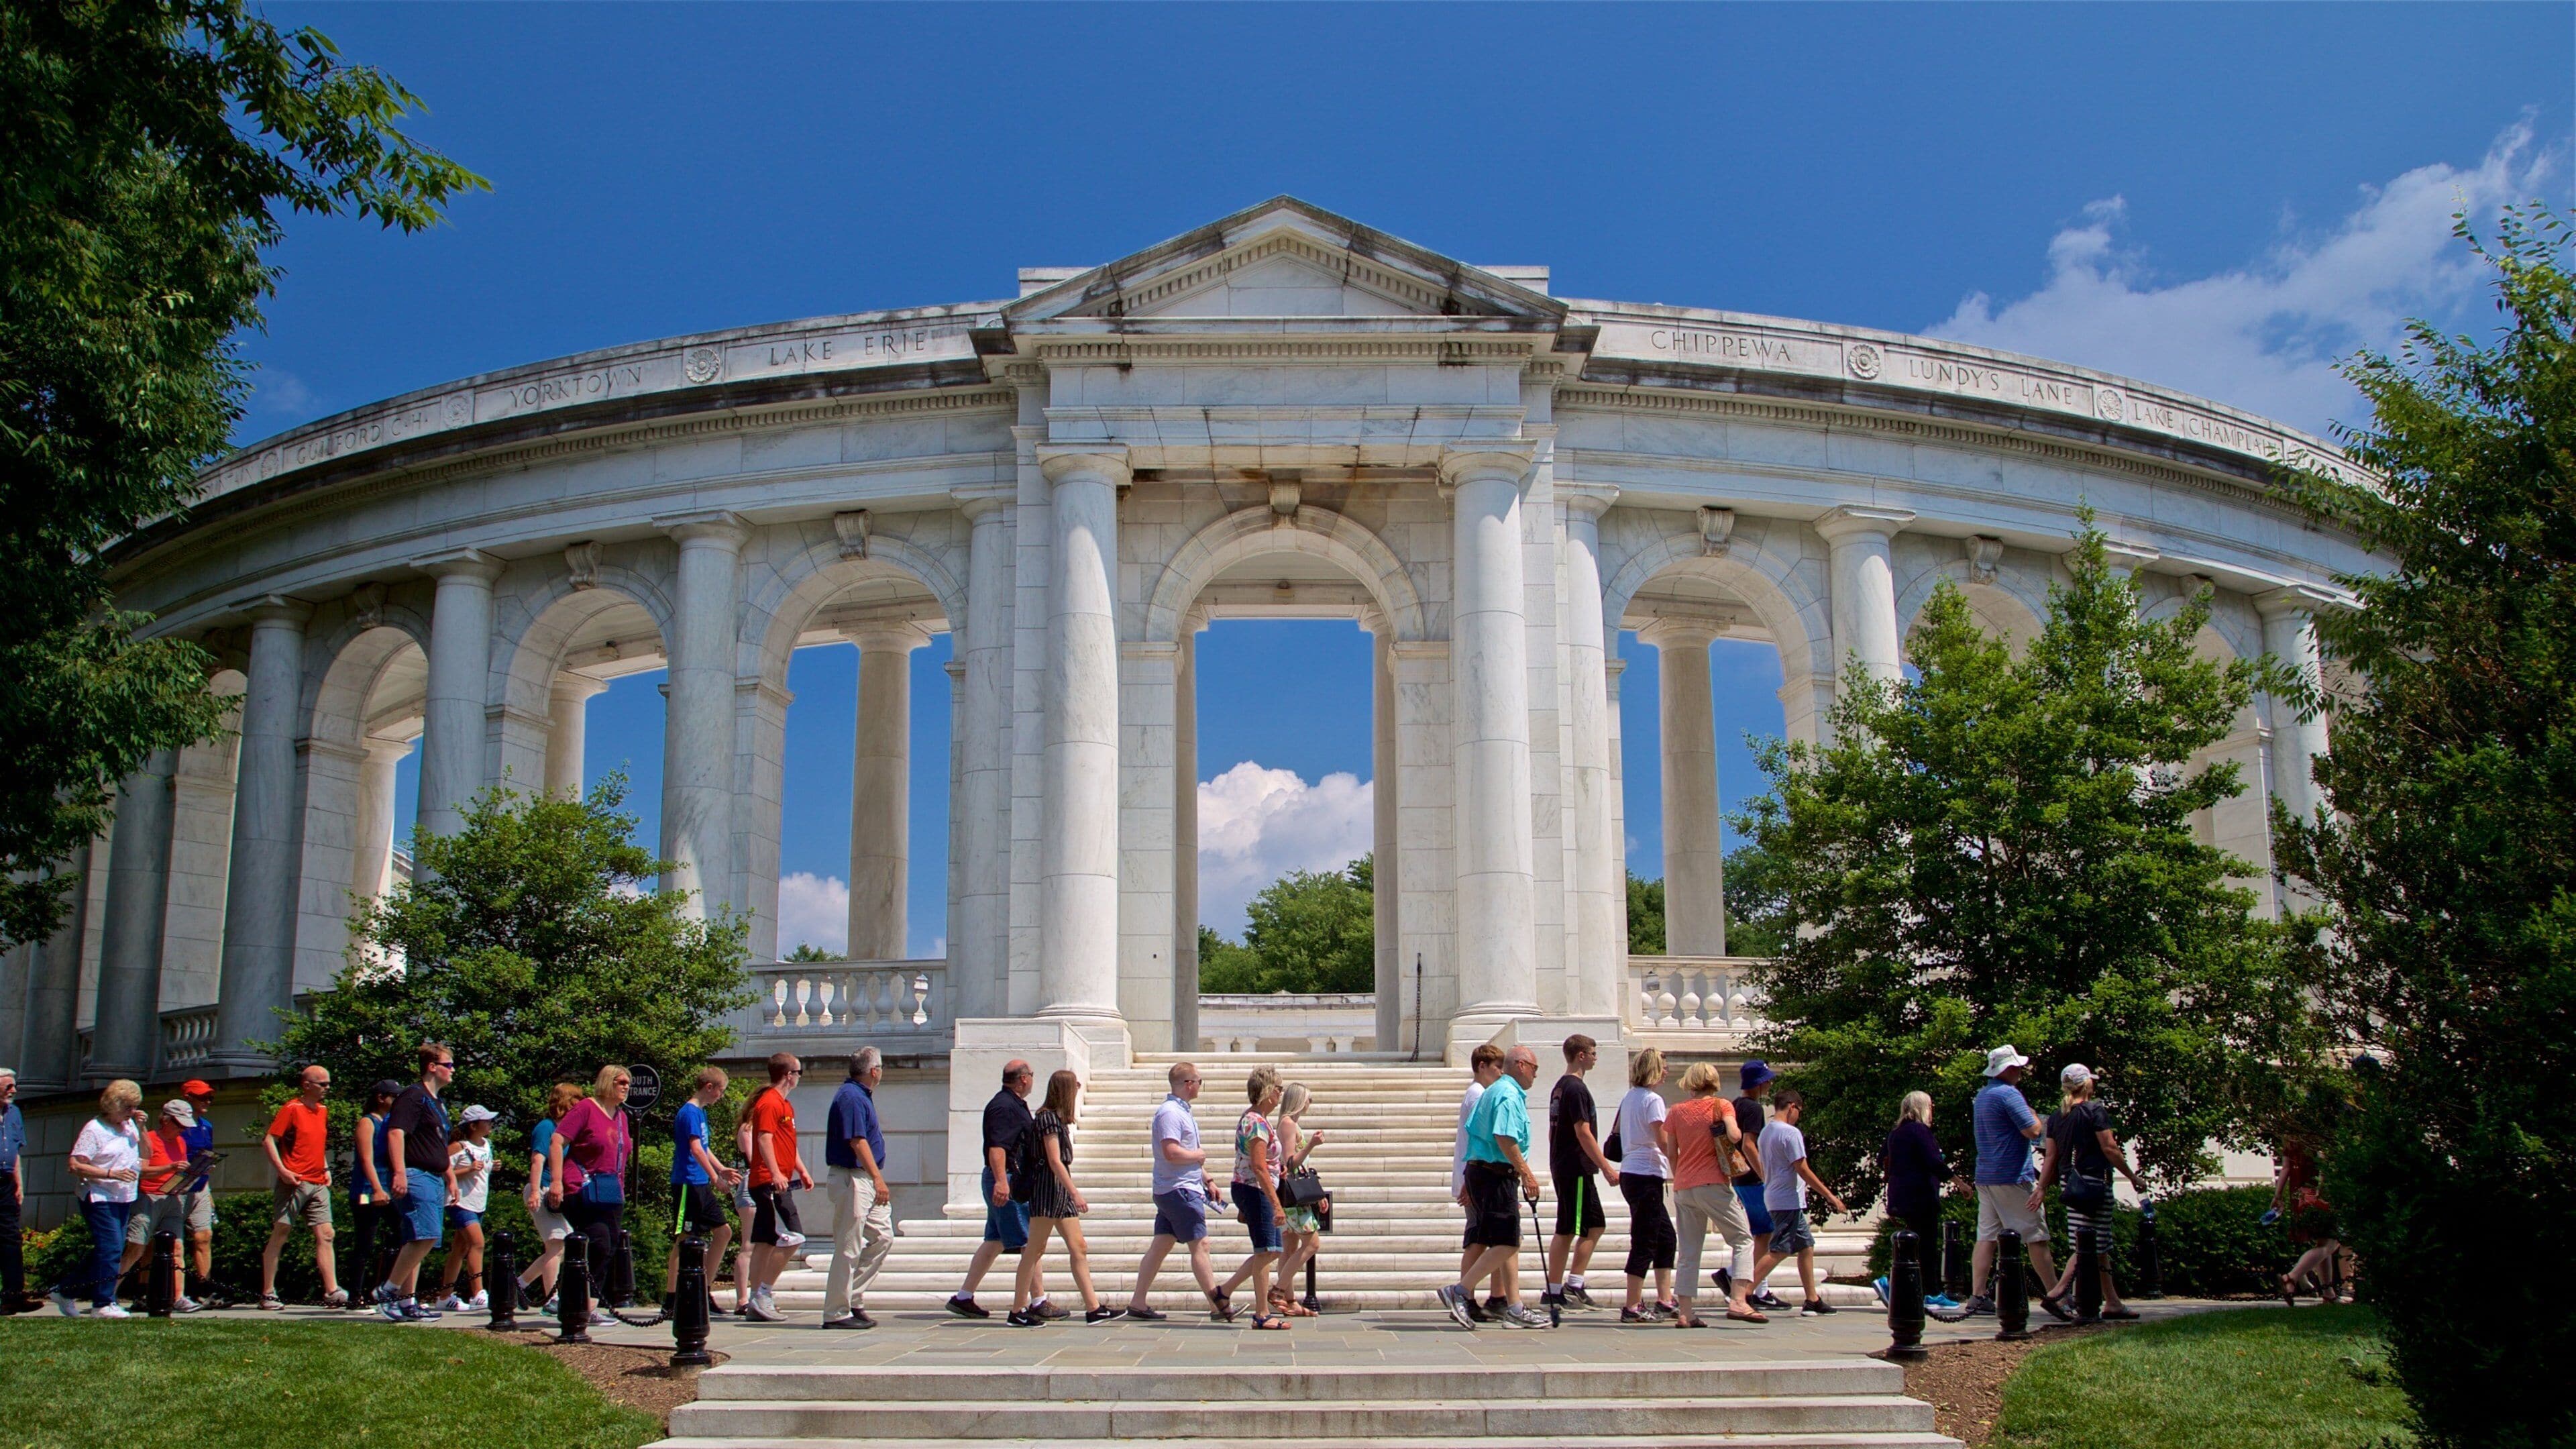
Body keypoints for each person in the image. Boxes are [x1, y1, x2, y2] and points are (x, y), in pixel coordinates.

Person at [1439, 1044, 1550, 1330]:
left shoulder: (1494, 1092)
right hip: (1495, 1173)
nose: (1536, 1076)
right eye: (1535, 1069)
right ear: (1522, 1065)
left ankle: (1513, 1306)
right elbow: (1503, 1136)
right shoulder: (1507, 1094)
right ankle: (1461, 1290)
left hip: (1485, 1173)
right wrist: (1526, 1173)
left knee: (1507, 1240)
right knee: (1507, 1242)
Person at [1011, 1069, 1124, 1326]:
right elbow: (1054, 1160)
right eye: (1075, 1085)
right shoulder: (1048, 1120)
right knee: (1034, 1251)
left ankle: (1093, 1308)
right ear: (1064, 1089)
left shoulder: (1056, 1120)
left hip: (1058, 1192)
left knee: (1078, 1247)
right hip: (1048, 1190)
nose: (1078, 1088)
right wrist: (1075, 1192)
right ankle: (1017, 1310)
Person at [2036, 1064, 2145, 1322]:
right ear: (2087, 1085)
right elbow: (2110, 1148)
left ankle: (2113, 1302)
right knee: (2089, 1242)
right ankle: (2057, 1293)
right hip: (2094, 1183)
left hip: (2070, 1183)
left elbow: (2051, 1155)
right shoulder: (2095, 1110)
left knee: (2099, 1243)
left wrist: (2041, 1188)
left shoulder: (2057, 1116)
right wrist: (2132, 1176)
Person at [1960, 1044, 2061, 1318]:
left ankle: (1978, 1295)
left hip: (1986, 1176)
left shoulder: (1983, 1095)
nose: (2021, 1071)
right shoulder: (2009, 1094)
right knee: (2036, 1236)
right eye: (2017, 1067)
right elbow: (2033, 1130)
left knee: (1986, 1237)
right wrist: (2033, 1115)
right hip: (2012, 1176)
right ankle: (2057, 1295)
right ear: (2008, 1069)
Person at [1124, 1061, 1228, 1321]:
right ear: (1189, 1083)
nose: (1200, 1086)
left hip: (1177, 1186)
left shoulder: (1181, 1111)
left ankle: (1138, 1302)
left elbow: (1183, 1155)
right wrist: (1198, 1155)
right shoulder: (1171, 1113)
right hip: (1179, 1189)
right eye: (1199, 1081)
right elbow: (1172, 1152)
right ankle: (1218, 1305)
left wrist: (1208, 1179)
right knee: (1201, 1244)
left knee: (1161, 1245)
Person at [1671, 1062, 1767, 1327]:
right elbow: (1736, 1135)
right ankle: (1738, 1300)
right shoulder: (1722, 1105)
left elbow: (1671, 1151)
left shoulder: (1677, 1111)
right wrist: (1726, 1128)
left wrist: (1680, 1177)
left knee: (1689, 1252)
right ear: (1713, 1080)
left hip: (1684, 1186)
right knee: (1743, 1239)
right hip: (1713, 1183)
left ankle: (1685, 1312)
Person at [948, 1059, 1044, 1318]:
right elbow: (998, 1147)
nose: (1033, 1080)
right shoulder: (1004, 1107)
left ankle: (964, 1297)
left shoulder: (1011, 1104)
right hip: (1008, 1180)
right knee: (1028, 1242)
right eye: (1032, 1075)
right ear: (1023, 1079)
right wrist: (1003, 1182)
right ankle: (1037, 1301)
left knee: (994, 1240)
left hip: (1004, 1179)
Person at [375, 1041, 460, 1322]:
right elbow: (397, 1134)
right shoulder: (413, 1096)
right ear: (432, 1067)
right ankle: (389, 1291)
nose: (453, 1070)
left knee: (420, 1239)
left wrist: (450, 1176)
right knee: (426, 1235)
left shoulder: (437, 1103)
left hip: (434, 1177)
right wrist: (399, 1172)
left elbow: (438, 1145)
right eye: (448, 1065)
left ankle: (407, 1301)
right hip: (416, 1174)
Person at [1750, 1090, 1848, 1316]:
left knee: (1806, 1246)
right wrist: (1830, 1196)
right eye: (1799, 1112)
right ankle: (1743, 1293)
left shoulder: (1766, 1132)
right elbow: (1802, 1168)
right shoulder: (1790, 1133)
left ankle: (1812, 1299)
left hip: (1775, 1196)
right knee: (1779, 1250)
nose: (1799, 1117)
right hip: (1787, 1200)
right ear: (1792, 1107)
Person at [50, 1079, 142, 1318]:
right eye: (129, 1107)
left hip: (123, 1196)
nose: (133, 1112)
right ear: (115, 1105)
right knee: (111, 1248)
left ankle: (65, 1291)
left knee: (110, 1249)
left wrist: (141, 1128)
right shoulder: (95, 1129)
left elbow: (147, 1156)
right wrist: (111, 1173)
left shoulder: (129, 1125)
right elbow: (75, 1164)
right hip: (99, 1195)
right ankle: (103, 1303)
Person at [257, 1063, 343, 1310]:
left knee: (326, 1234)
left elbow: (316, 1143)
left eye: (328, 1084)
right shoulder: (292, 1109)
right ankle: (268, 1293)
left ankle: (332, 1291)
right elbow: (269, 1140)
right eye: (322, 1084)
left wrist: (325, 1168)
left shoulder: (323, 1110)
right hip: (294, 1181)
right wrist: (283, 1171)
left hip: (317, 1182)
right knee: (281, 1233)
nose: (327, 1088)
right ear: (307, 1085)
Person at [550, 1065, 635, 1309]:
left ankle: (588, 1304)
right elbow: (557, 1141)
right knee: (598, 1242)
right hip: (582, 1188)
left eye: (628, 1082)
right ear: (607, 1081)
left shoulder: (621, 1117)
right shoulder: (586, 1108)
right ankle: (575, 1303)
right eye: (621, 1081)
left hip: (610, 1192)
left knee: (608, 1247)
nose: (626, 1086)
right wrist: (556, 1181)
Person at [1544, 1034, 1617, 1314]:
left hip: (1570, 1166)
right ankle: (1554, 1290)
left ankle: (1574, 1282)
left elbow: (1553, 1131)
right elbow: (1583, 1132)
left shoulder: (1561, 1088)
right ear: (1581, 1055)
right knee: (1568, 1228)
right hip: (1574, 1168)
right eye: (1594, 1053)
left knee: (1595, 1225)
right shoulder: (1574, 1088)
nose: (1596, 1058)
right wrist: (1607, 1167)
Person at [663, 1067, 741, 1319]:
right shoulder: (689, 1113)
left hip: (700, 1183)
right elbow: (695, 1149)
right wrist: (714, 1177)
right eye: (721, 1091)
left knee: (724, 1231)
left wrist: (721, 1169)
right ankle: (671, 1300)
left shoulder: (700, 1114)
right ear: (710, 1087)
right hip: (687, 1183)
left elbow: (704, 1148)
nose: (721, 1096)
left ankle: (702, 1290)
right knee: (684, 1239)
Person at [1216, 1065, 1291, 1330]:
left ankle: (1223, 1292)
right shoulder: (1255, 1122)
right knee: (1265, 1251)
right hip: (1256, 1190)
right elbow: (1258, 1167)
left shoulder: (1257, 1119)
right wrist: (1276, 1204)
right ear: (1269, 1091)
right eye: (1279, 1089)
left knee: (1268, 1251)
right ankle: (1261, 1313)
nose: (1281, 1095)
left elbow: (1262, 1163)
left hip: (1252, 1188)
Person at [823, 1047, 893, 1329]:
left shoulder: (859, 1096)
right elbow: (857, 1141)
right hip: (853, 1177)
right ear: (873, 1071)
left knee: (883, 1237)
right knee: (848, 1246)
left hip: (861, 1178)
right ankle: (836, 1313)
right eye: (881, 1067)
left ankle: (852, 1298)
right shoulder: (851, 1097)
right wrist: (878, 1178)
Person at [738, 1052, 810, 1322]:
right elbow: (764, 1139)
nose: (799, 1078)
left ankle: (758, 1297)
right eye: (799, 1073)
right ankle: (763, 1293)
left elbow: (786, 1143)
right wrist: (778, 1173)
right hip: (769, 1181)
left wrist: (800, 1170)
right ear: (789, 1075)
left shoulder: (784, 1105)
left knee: (766, 1242)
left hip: (775, 1179)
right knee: (795, 1236)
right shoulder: (770, 1103)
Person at [1613, 1047, 1677, 1322]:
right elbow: (1662, 1140)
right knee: (1645, 1240)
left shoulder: (1630, 1097)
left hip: (1633, 1172)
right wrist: (1680, 1165)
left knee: (1666, 1237)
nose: (1666, 1072)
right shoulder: (1653, 1100)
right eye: (1663, 1066)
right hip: (1646, 1173)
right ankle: (1632, 1304)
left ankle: (1664, 1298)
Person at [1450, 1043, 1511, 1318]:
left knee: (1489, 1238)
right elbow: (1476, 1141)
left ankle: (1494, 1296)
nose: (1500, 1073)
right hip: (1476, 1177)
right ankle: (1466, 1298)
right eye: (1496, 1067)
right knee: (1478, 1239)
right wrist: (1468, 1181)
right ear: (1481, 1067)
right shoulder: (1478, 1096)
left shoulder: (1479, 1094)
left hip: (1473, 1176)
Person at [122, 1098, 199, 1311]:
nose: (182, 1130)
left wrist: (187, 1177)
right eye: (179, 1124)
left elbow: (177, 1172)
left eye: (185, 1126)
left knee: (177, 1246)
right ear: (166, 1120)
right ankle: (109, 1292)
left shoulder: (181, 1143)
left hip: (172, 1198)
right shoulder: (150, 1139)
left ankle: (178, 1297)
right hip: (148, 1196)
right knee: (137, 1247)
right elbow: (142, 1171)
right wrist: (171, 1167)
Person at [1877, 1091, 1951, 1309]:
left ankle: (1894, 1284)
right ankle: (1932, 1292)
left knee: (1912, 1244)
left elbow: (1882, 1159)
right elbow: (1934, 1162)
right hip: (1921, 1195)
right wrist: (1959, 1181)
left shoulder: (1896, 1133)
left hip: (1900, 1195)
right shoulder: (1921, 1131)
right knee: (1927, 1245)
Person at [1729, 1060, 1788, 1312]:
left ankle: (1746, 1283)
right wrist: (1765, 1174)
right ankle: (1754, 1288)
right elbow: (1748, 1144)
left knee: (1756, 1234)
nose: (1770, 1084)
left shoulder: (1734, 1105)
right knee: (1765, 1234)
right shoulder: (1753, 1109)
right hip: (1752, 1180)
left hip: (1738, 1177)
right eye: (1766, 1081)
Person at [517, 1082, 582, 1312]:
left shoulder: (563, 1130)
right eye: (575, 1099)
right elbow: (538, 1159)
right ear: (565, 1101)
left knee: (560, 1246)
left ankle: (520, 1285)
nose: (579, 1104)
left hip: (553, 1192)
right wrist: (535, 1191)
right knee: (557, 1243)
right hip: (542, 1189)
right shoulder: (546, 1128)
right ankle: (551, 1299)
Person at [2273, 1132, 2350, 1304]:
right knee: (2330, 1245)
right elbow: (2324, 1170)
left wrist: (2277, 1196)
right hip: (2317, 1196)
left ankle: (2328, 1293)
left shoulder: (2291, 1140)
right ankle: (2292, 1277)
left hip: (2300, 1197)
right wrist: (2324, 1194)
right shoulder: (2317, 1136)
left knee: (2322, 1244)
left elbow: (2285, 1168)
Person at [345, 1079, 401, 1310]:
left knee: (400, 1233)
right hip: (366, 1192)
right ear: (381, 1097)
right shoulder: (367, 1123)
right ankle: (355, 1295)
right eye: (393, 1097)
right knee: (365, 1242)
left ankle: (381, 1288)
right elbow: (366, 1159)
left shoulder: (389, 1123)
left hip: (387, 1190)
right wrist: (377, 1188)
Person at [1271, 1081, 1325, 1318]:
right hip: (1293, 1196)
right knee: (1312, 1244)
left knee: (1289, 1248)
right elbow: (1290, 1162)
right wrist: (1311, 1144)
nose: (1310, 1103)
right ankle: (1279, 1290)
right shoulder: (1288, 1124)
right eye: (1308, 1098)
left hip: (1295, 1194)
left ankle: (1290, 1300)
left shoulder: (1290, 1124)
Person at [435, 1105, 498, 1311]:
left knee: (459, 1249)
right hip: (460, 1202)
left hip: (478, 1202)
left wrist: (491, 1167)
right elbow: (443, 1170)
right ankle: (478, 1293)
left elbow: (483, 1170)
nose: (490, 1124)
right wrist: (468, 1169)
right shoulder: (459, 1147)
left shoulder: (486, 1145)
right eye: (486, 1121)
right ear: (473, 1126)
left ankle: (444, 1296)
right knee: (477, 1243)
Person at [176, 1079, 221, 1304]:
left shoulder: (207, 1126)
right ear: (188, 1098)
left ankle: (204, 1290)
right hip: (177, 1186)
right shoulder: (176, 1125)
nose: (207, 1101)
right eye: (203, 1097)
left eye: (210, 1097)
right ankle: (148, 1291)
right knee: (170, 1241)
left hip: (201, 1186)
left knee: (204, 1236)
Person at [0, 1067, 24, 1314]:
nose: (14, 1091)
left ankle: (13, 1296)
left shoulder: (14, 1113)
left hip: (6, 1183)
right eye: (8, 1087)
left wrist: (20, 1185)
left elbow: (15, 1152)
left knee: (10, 1239)